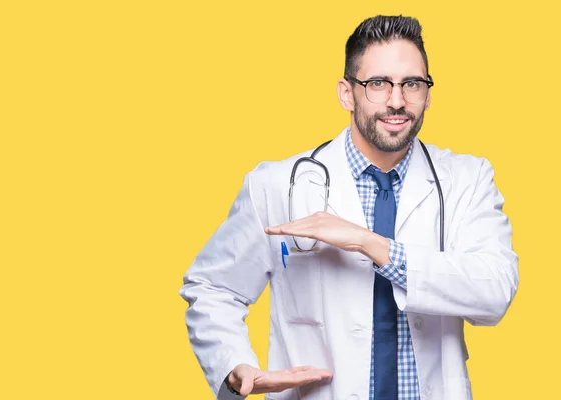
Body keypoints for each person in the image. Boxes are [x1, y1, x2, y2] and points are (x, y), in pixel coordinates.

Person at [179, 15, 518, 400]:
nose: (396, 100)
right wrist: (236, 367)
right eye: (378, 84)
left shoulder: (468, 179)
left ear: (428, 92)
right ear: (346, 93)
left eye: (412, 84)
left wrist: (370, 244)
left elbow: (494, 292)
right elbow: (211, 287)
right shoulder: (276, 185)